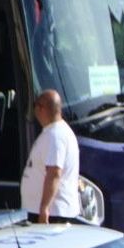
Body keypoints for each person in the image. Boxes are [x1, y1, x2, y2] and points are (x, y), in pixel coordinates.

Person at [21, 89, 80, 223]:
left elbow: (54, 173)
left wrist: (45, 208)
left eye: (35, 105)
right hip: (45, 212)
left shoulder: (56, 135)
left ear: (41, 108)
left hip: (52, 214)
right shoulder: (53, 132)